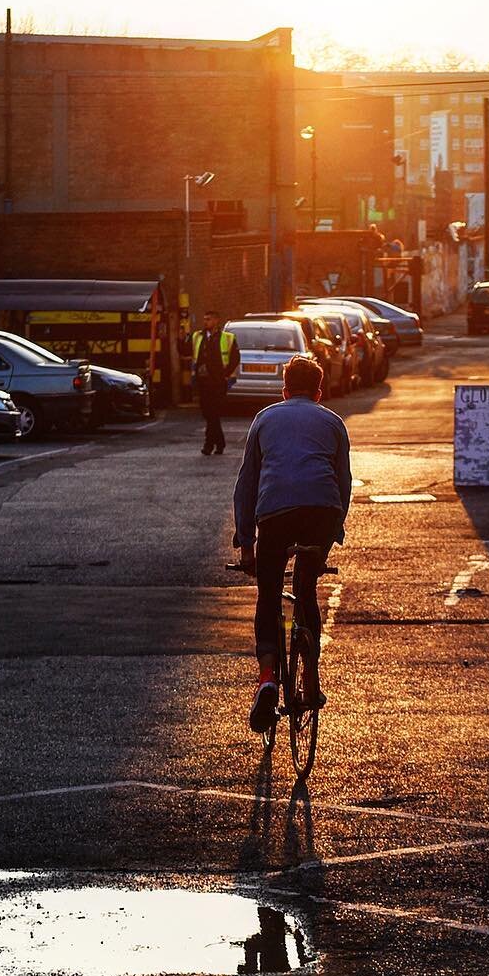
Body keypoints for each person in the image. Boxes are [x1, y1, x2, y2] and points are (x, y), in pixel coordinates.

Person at [232, 354, 352, 733]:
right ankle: (312, 674)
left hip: (275, 514)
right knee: (306, 588)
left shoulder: (265, 419)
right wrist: (334, 532)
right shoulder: (333, 421)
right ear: (319, 391)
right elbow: (343, 482)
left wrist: (246, 543)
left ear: (284, 390)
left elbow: (247, 484)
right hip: (322, 513)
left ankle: (268, 677)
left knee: (269, 592)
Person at [192, 311, 240, 455]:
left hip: (218, 382)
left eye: (209, 319)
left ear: (216, 321)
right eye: (204, 319)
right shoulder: (198, 336)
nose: (205, 322)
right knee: (209, 414)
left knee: (213, 412)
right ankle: (220, 442)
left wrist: (225, 375)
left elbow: (235, 358)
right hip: (203, 381)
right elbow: (187, 351)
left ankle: (209, 445)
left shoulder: (227, 338)